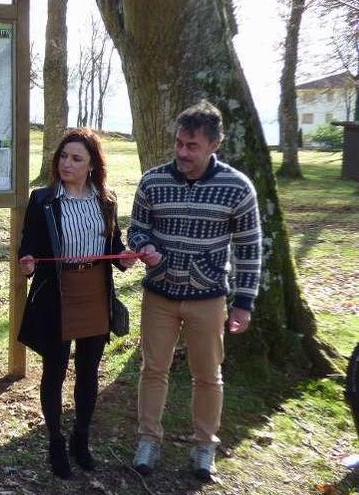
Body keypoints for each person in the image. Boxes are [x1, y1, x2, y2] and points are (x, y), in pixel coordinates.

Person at [128, 100, 262, 481]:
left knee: (208, 375)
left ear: (214, 145)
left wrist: (244, 302)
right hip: (159, 294)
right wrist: (145, 246)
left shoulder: (237, 188)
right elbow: (138, 227)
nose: (182, 152)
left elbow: (250, 248)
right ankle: (148, 439)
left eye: (192, 146)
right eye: (179, 144)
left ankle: (204, 446)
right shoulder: (153, 181)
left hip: (209, 298)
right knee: (153, 369)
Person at [17, 129, 136, 480]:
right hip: (57, 292)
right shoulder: (42, 200)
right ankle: (55, 442)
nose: (66, 163)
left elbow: (114, 245)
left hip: (95, 291)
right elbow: (29, 246)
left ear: (92, 166)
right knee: (54, 371)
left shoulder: (106, 200)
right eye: (63, 156)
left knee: (88, 370)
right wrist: (27, 261)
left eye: (76, 158)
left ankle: (80, 439)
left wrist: (124, 257)